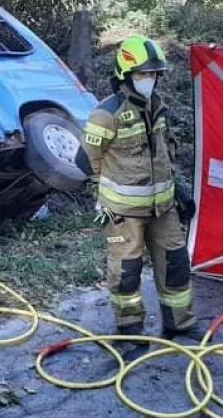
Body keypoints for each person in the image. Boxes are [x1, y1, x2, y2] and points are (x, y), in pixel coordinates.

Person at [79, 34, 199, 344]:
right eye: (143, 74)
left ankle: (179, 324)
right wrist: (102, 196)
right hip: (122, 214)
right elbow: (84, 160)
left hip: (163, 208)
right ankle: (130, 328)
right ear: (126, 75)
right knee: (126, 271)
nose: (149, 80)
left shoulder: (158, 107)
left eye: (153, 74)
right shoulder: (106, 113)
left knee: (176, 264)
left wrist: (179, 190)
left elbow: (162, 156)